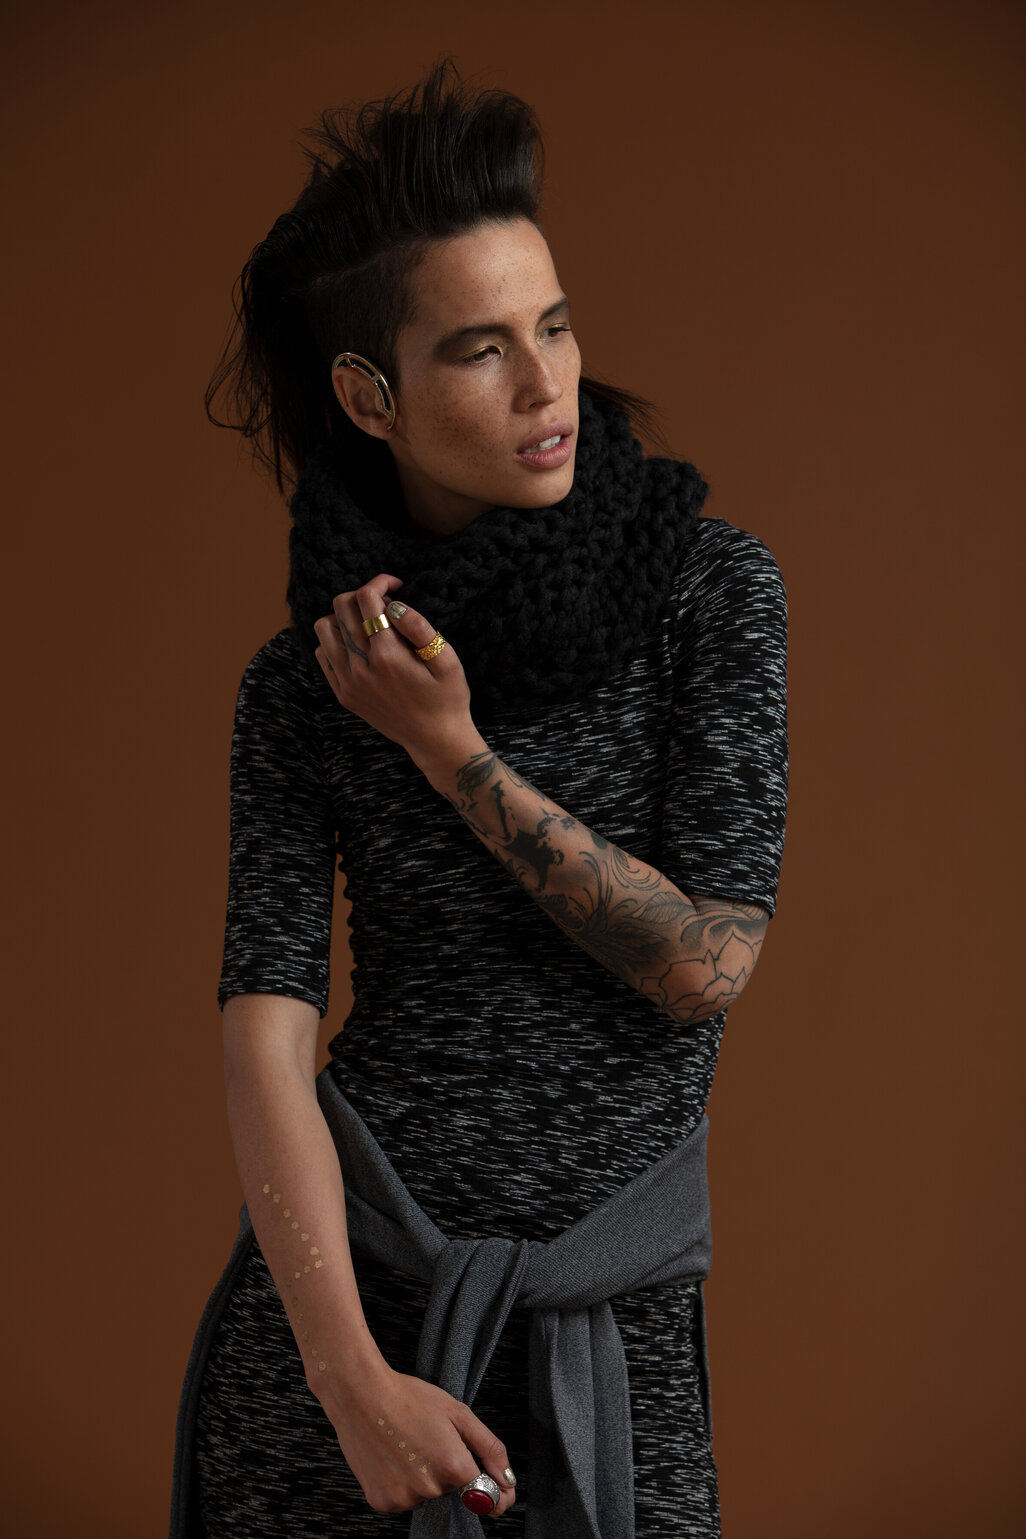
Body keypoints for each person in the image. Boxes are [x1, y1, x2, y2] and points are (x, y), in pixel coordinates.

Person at [170, 60, 788, 1539]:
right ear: (368, 396)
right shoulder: (307, 680)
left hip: (609, 1317)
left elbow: (701, 967)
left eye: (555, 326)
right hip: (350, 1335)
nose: (545, 385)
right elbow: (266, 1034)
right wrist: (348, 1382)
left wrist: (450, 752)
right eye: (480, 349)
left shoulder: (706, 593)